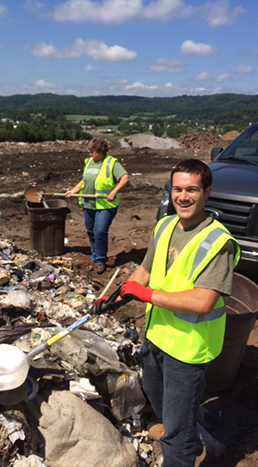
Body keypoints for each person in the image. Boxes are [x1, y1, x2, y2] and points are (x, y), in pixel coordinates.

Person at [118, 159, 241, 466]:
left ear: (207, 192)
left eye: (191, 190)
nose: (183, 197)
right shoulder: (165, 225)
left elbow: (203, 301)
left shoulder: (218, 243)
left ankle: (184, 451)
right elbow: (146, 269)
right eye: (177, 189)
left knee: (175, 432)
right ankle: (189, 428)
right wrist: (117, 295)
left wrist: (145, 294)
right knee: (158, 400)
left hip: (187, 350)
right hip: (156, 336)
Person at [65, 138, 129, 274]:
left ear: (100, 152)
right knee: (90, 231)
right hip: (88, 203)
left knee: (99, 231)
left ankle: (101, 260)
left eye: (92, 152)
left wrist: (113, 192)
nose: (90, 154)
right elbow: (84, 179)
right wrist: (73, 190)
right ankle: (94, 255)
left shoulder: (111, 163)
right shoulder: (88, 162)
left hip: (105, 205)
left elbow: (125, 178)